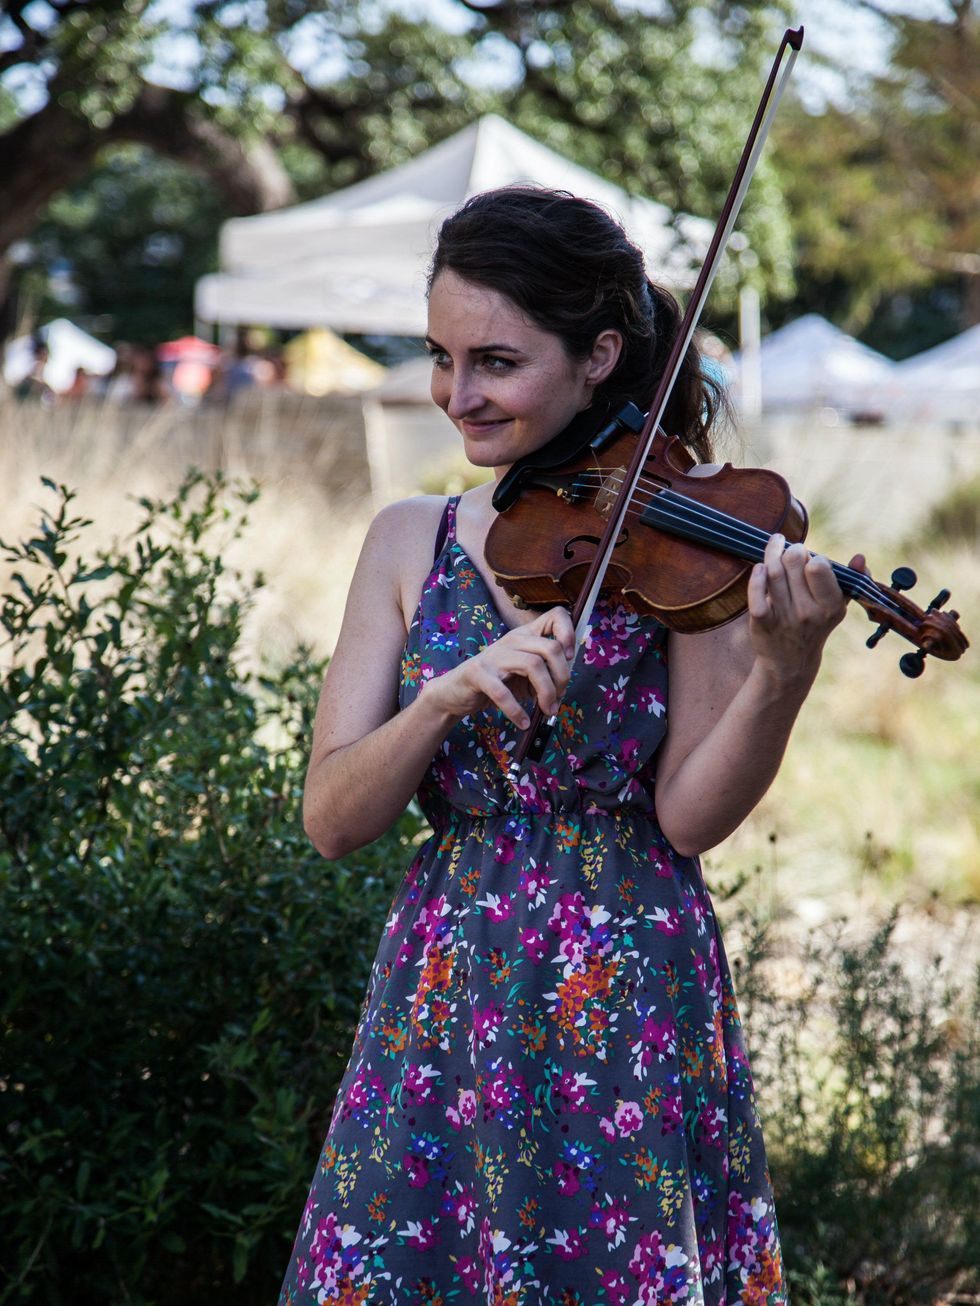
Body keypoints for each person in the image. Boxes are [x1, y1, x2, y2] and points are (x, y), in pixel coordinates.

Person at [279, 187, 853, 1305]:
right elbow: (332, 819)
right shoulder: (410, 538)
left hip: (626, 976)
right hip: (445, 981)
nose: (458, 395)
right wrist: (440, 700)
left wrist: (784, 672)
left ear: (598, 354)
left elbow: (689, 813)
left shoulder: (683, 533)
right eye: (442, 358)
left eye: (494, 360)